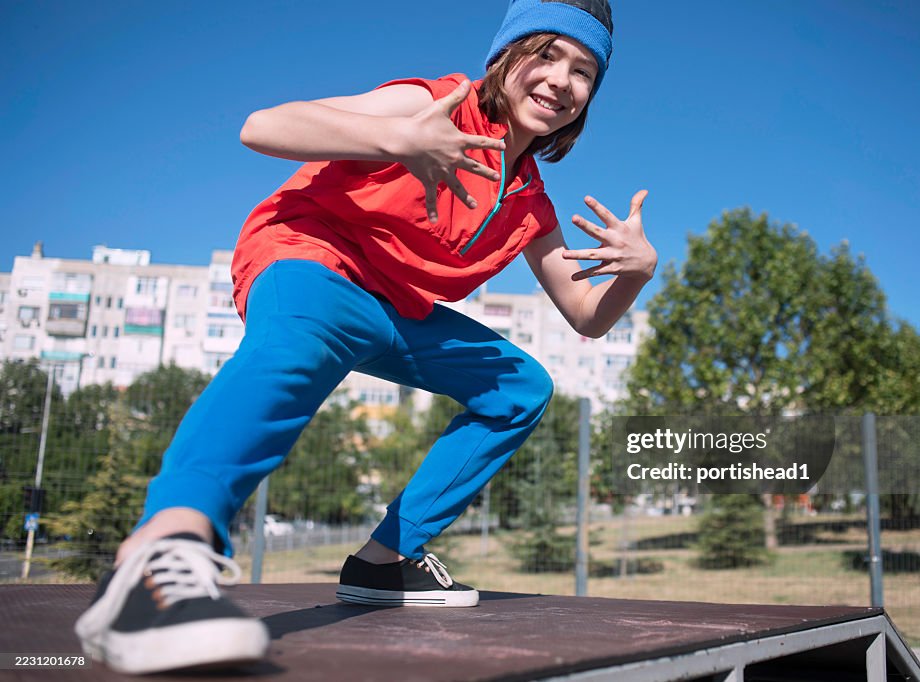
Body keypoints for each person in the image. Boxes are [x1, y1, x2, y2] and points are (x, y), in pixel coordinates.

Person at [75, 0, 656, 674]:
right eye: (546, 55)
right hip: (311, 261)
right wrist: (397, 139)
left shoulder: (529, 202)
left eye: (583, 71)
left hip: (392, 311)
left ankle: (385, 561)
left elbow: (586, 315)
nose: (561, 80)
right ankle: (156, 558)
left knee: (520, 387)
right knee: (298, 346)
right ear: (506, 57)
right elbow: (263, 127)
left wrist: (636, 273)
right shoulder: (432, 104)